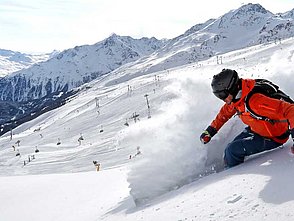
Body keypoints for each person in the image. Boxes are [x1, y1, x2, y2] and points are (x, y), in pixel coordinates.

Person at [200, 69, 294, 168]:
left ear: (232, 88)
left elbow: (291, 110)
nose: (223, 99)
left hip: (273, 137)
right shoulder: (236, 99)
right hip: (257, 129)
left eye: (222, 95)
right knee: (229, 151)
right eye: (218, 96)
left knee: (232, 150)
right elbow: (224, 114)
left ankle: (232, 177)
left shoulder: (256, 101)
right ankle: (231, 169)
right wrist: (210, 131)